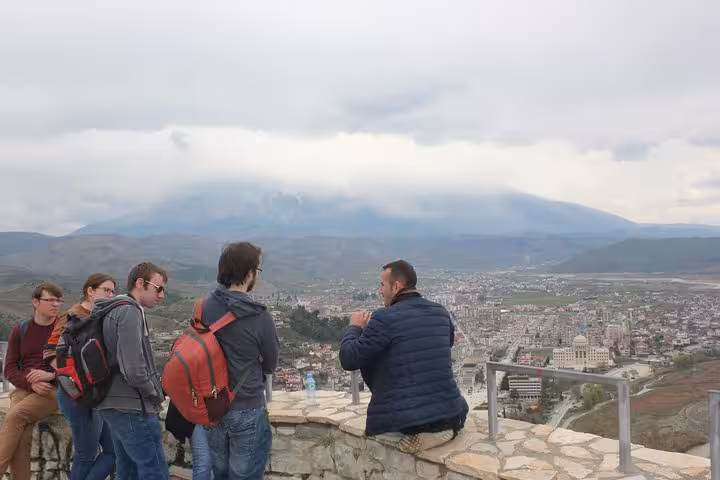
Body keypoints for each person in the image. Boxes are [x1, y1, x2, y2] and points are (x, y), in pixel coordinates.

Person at [339, 260, 469, 453]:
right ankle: (444, 428)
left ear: (397, 286)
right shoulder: (440, 312)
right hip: (454, 410)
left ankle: (430, 431)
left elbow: (349, 359)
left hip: (412, 418)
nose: (379, 291)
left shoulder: (384, 318)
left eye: (382, 285)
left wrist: (355, 328)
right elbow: (441, 346)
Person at [200, 241, 279, 480]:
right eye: (258, 270)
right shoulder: (258, 315)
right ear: (249, 273)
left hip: (211, 406)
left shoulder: (202, 308)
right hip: (246, 405)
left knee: (220, 473)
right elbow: (270, 363)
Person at [94, 262, 169, 480]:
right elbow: (134, 369)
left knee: (127, 470)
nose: (162, 295)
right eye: (159, 288)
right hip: (132, 406)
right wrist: (154, 394)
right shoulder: (129, 312)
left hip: (112, 401)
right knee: (154, 470)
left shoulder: (112, 310)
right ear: (140, 283)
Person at [44, 273, 117, 480]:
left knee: (114, 450)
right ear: (90, 291)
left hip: (96, 395)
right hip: (76, 396)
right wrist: (74, 380)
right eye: (106, 290)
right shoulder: (72, 315)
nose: (110, 294)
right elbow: (49, 352)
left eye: (113, 291)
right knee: (86, 455)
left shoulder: (100, 316)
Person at [0, 283, 63, 480]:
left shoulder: (65, 331)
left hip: (51, 391)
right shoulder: (21, 330)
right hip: (25, 389)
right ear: (35, 302)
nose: (55, 304)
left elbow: (76, 367)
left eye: (58, 300)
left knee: (15, 415)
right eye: (50, 300)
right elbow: (9, 369)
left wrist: (52, 376)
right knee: (22, 436)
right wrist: (30, 382)